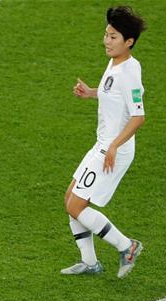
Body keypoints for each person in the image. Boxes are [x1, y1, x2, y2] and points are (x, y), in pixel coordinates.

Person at [62, 5, 146, 278]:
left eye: (113, 37)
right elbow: (113, 93)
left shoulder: (130, 72)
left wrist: (113, 146)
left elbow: (138, 116)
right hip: (102, 145)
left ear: (129, 42)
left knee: (76, 205)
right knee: (70, 198)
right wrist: (91, 93)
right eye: (106, 35)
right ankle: (90, 263)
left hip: (113, 149)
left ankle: (127, 246)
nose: (107, 42)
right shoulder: (115, 63)